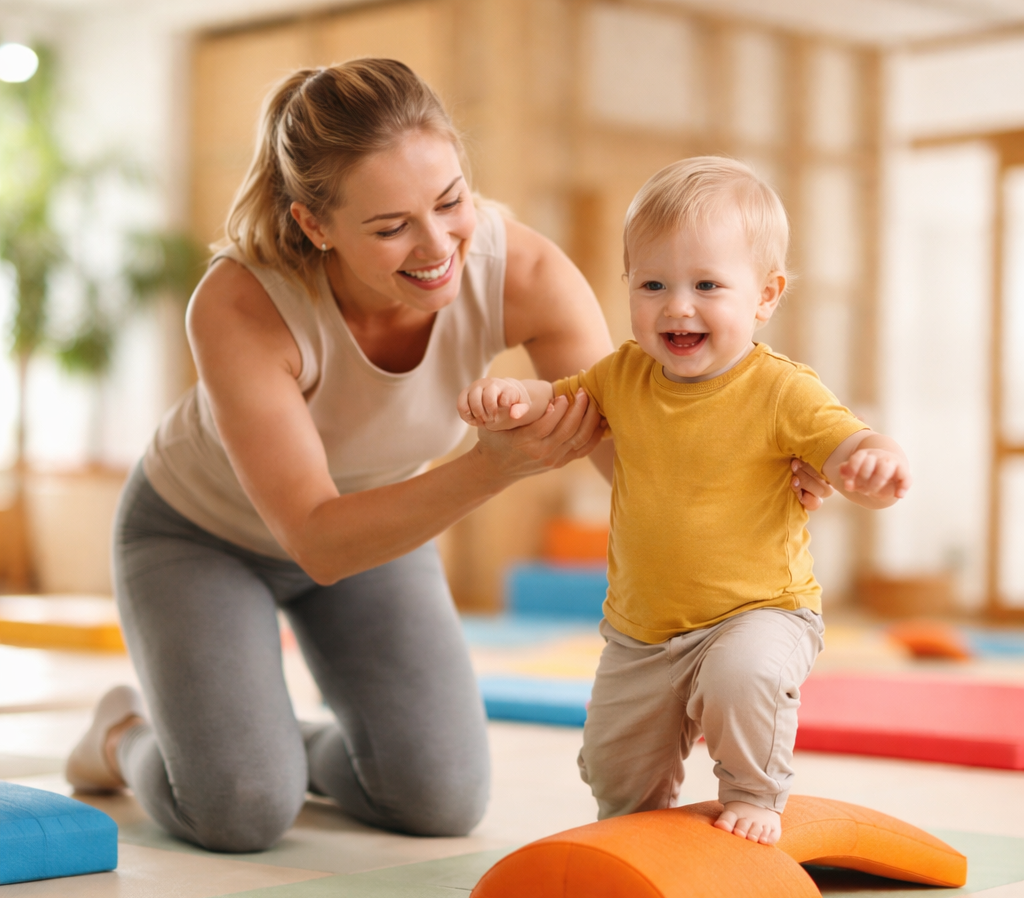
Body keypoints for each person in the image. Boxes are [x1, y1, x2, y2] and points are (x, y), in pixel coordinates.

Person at [67, 63, 830, 854]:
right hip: (202, 538)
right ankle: (128, 732)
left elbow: (639, 451)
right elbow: (318, 540)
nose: (438, 247)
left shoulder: (524, 271)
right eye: (391, 226)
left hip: (377, 527)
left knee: (435, 799)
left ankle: (251, 739)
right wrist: (491, 466)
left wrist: (768, 471)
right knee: (239, 810)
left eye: (450, 201)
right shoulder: (239, 301)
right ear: (316, 224)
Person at [458, 156, 911, 846]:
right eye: (653, 284)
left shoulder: (783, 389)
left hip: (758, 614)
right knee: (615, 768)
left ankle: (755, 792)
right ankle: (636, 830)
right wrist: (514, 398)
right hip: (642, 632)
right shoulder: (624, 374)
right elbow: (560, 397)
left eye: (707, 284)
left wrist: (877, 462)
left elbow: (850, 442)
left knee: (744, 676)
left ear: (765, 295)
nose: (677, 305)